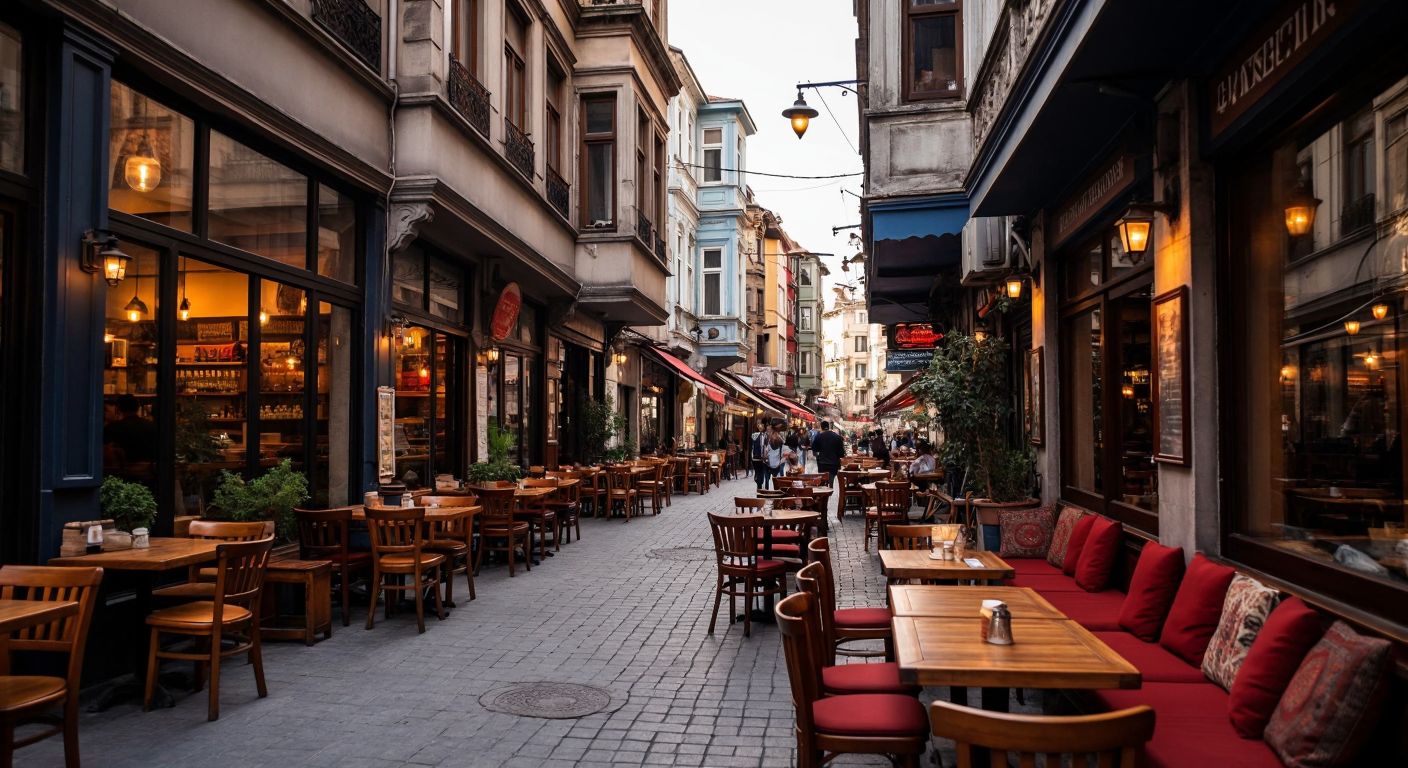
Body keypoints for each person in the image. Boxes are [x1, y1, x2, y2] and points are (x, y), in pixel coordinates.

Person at [104, 393, 157, 464]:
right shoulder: (151, 426)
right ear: (138, 407)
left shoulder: (113, 427)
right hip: (148, 471)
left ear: (118, 408)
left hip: (123, 471)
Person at [810, 420, 846, 485]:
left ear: (821, 427)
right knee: (831, 480)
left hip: (822, 463)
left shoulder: (819, 436)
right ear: (828, 427)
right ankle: (830, 490)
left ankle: (824, 493)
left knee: (822, 480)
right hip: (834, 463)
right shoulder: (837, 437)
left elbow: (814, 448)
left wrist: (819, 452)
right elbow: (841, 453)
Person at [750, 420, 772, 490]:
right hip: (758, 457)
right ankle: (759, 483)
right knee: (759, 471)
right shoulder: (759, 435)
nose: (760, 426)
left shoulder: (757, 435)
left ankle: (759, 484)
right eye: (759, 425)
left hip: (759, 457)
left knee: (759, 472)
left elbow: (765, 446)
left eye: (761, 425)